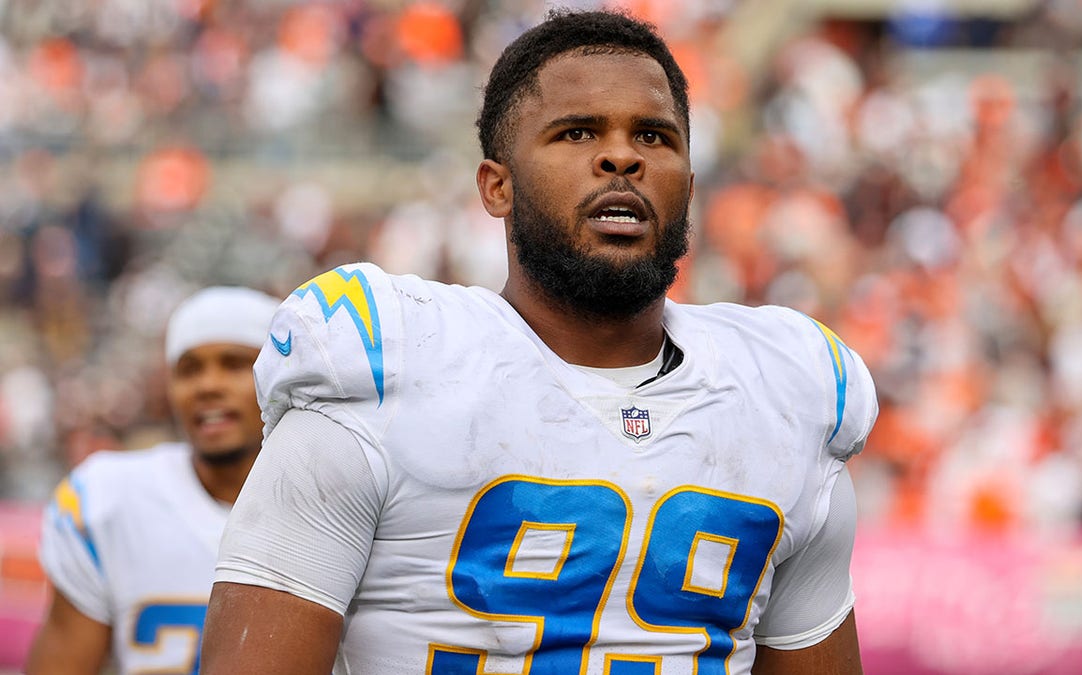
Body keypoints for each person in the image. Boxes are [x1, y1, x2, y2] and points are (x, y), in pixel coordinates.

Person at [201, 9, 877, 675]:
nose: (622, 156)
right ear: (497, 187)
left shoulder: (785, 397)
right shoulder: (384, 372)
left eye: (654, 136)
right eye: (577, 132)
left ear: (689, 188)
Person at [26, 286, 280, 675]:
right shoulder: (109, 500)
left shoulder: (340, 500)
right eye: (189, 369)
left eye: (234, 364)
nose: (208, 385)